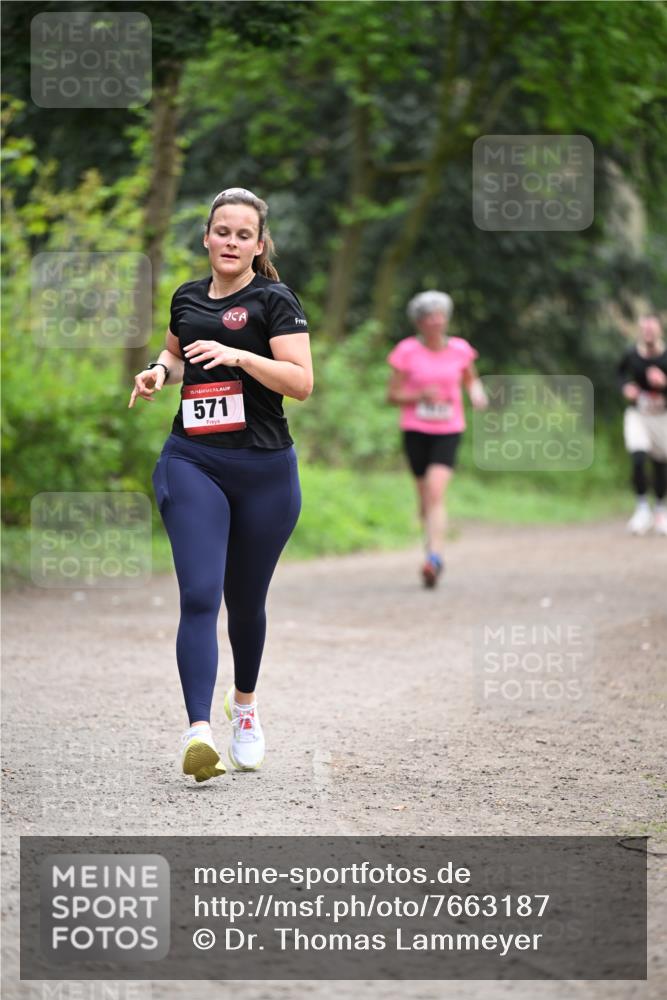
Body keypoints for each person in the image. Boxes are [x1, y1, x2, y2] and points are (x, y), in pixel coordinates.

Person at [128, 187, 313, 780]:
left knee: (245, 603)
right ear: (206, 237)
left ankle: (246, 709)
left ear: (259, 246)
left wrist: (239, 356)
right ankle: (198, 732)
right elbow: (179, 354)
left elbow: (301, 382)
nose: (230, 242)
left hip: (263, 469)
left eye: (243, 235)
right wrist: (160, 370)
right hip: (195, 461)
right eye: (221, 231)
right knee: (200, 594)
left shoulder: (274, 300)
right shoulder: (185, 297)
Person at [387, 290, 487, 588]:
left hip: (449, 429)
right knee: (424, 498)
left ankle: (435, 558)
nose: (436, 321)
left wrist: (476, 393)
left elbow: (471, 378)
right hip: (416, 430)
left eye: (440, 315)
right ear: (419, 322)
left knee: (435, 491)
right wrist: (419, 395)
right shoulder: (405, 351)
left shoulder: (460, 349)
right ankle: (430, 547)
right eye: (429, 316)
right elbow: (392, 395)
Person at [618, 314, 667, 535]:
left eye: (651, 329)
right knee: (638, 456)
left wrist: (664, 384)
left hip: (662, 416)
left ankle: (659, 510)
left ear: (659, 330)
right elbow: (619, 375)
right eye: (644, 329)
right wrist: (626, 388)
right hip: (638, 414)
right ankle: (641, 508)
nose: (648, 333)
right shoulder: (631, 355)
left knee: (660, 463)